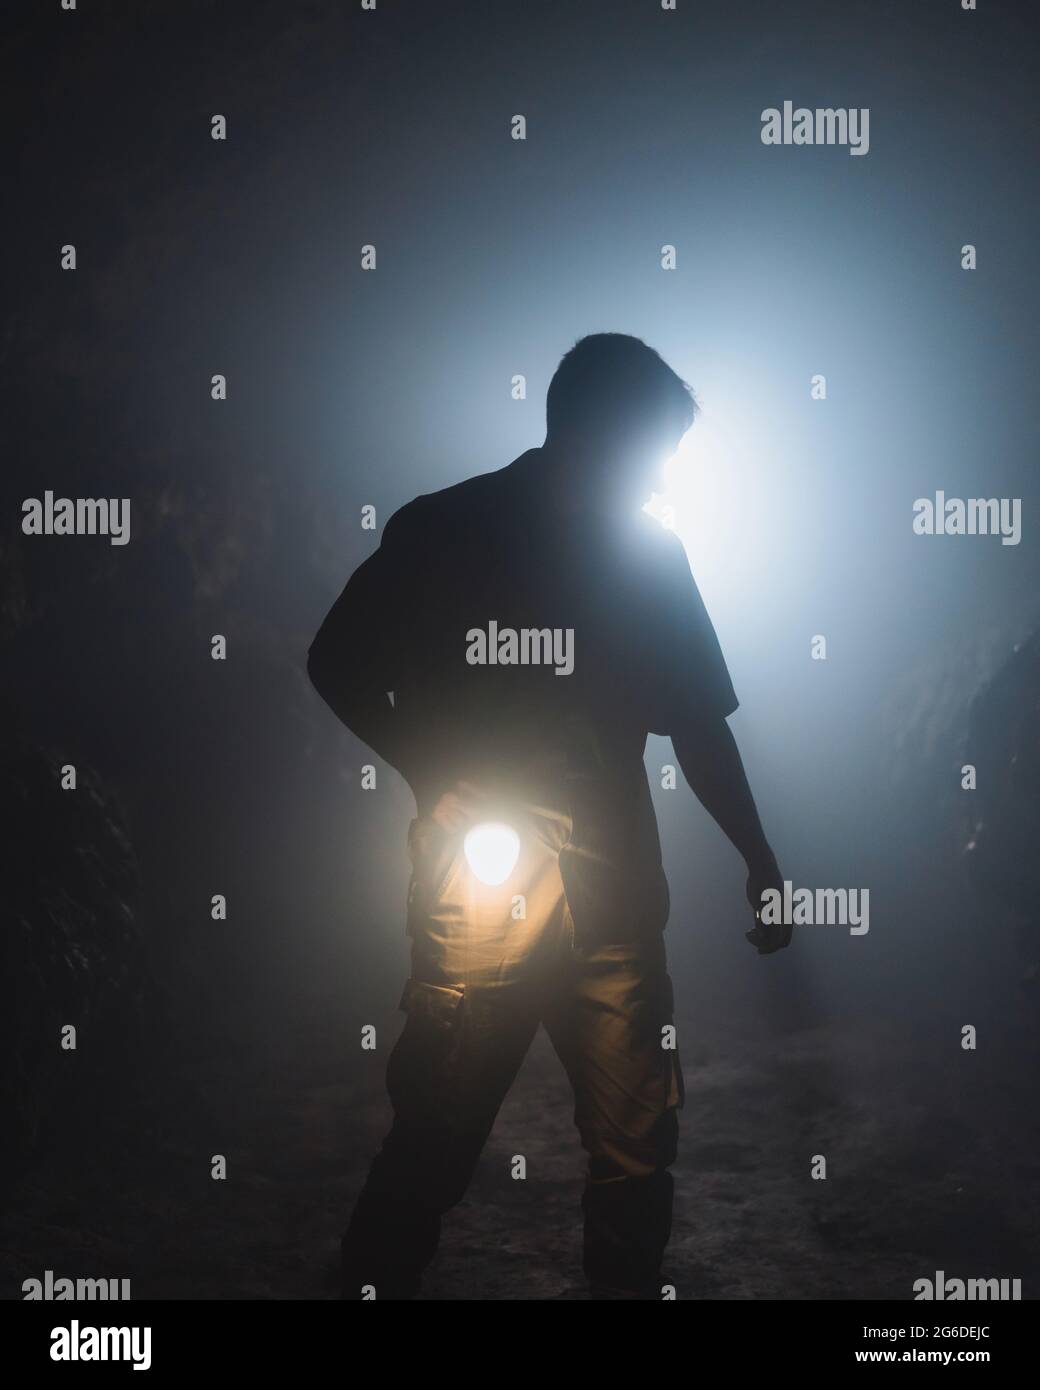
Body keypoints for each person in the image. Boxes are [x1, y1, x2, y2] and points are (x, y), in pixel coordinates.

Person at [308, 332, 789, 1299]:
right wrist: (428, 770)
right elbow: (336, 659)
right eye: (652, 451)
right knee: (435, 1142)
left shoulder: (648, 557)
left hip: (607, 901)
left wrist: (761, 859)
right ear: (594, 433)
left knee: (636, 1157)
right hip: (481, 903)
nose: (658, 477)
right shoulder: (445, 531)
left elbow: (697, 725)